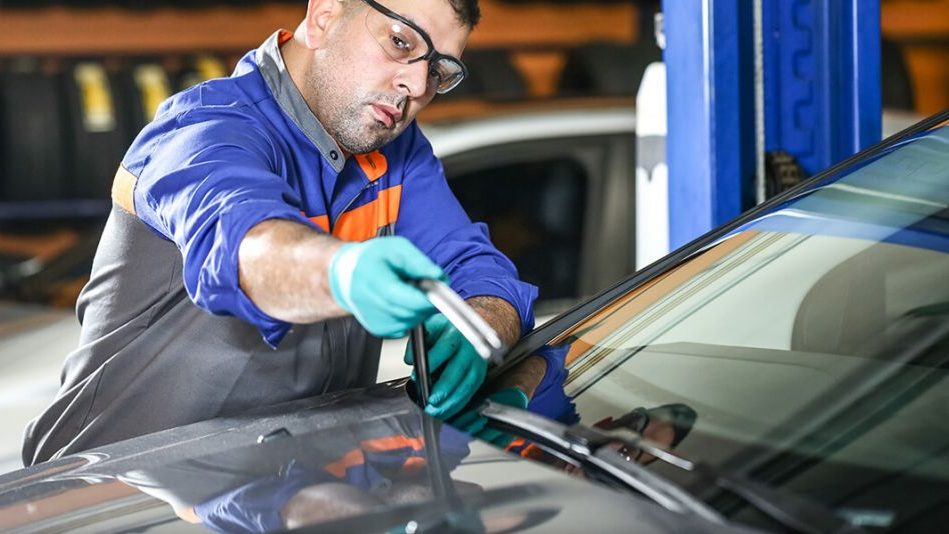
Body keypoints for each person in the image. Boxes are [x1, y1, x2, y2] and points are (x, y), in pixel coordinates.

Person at [22, 0, 541, 466]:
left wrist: (483, 324)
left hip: (288, 495)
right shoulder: (206, 127)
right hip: (119, 502)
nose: (418, 86)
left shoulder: (397, 155)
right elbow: (247, 246)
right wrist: (341, 271)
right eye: (401, 42)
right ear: (324, 18)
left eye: (440, 71)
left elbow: (475, 264)